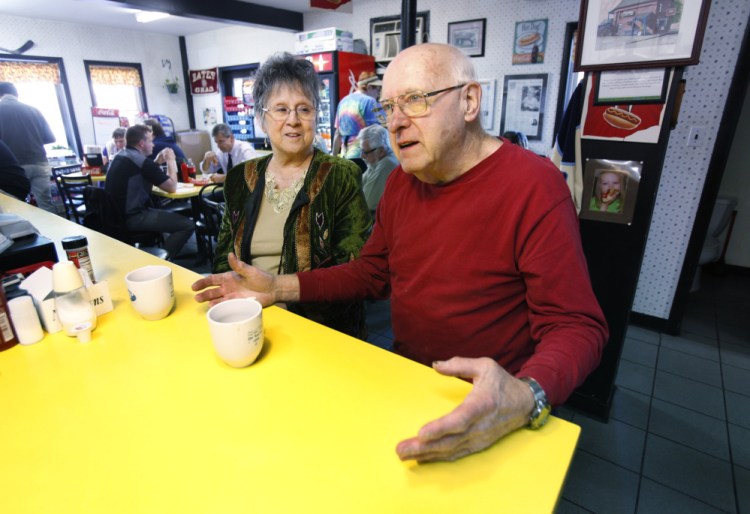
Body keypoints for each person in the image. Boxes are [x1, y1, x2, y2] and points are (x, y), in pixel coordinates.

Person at [192, 43, 607, 463]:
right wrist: (278, 286)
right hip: (405, 383)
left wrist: (525, 393)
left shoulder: (535, 186)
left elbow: (577, 326)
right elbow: (373, 273)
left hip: (493, 406)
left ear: (469, 101)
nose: (396, 122)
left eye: (415, 100)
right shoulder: (402, 184)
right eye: (389, 107)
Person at [202, 52, 371, 338]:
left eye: (304, 109)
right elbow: (224, 258)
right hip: (248, 320)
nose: (293, 120)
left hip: (317, 330)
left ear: (315, 117)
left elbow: (355, 273)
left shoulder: (340, 175)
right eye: (280, 109)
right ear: (261, 119)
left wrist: (279, 291)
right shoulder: (240, 178)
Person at [104, 124, 194, 258]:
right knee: (187, 225)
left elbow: (140, 172)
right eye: (150, 141)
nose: (153, 145)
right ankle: (162, 262)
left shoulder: (120, 156)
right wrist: (170, 161)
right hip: (133, 217)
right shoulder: (142, 162)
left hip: (114, 216)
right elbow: (172, 187)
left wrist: (156, 162)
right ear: (141, 144)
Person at [0, 82, 56, 213]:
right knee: (45, 203)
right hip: (39, 162)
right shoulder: (34, 110)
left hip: (15, 168)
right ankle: (56, 232)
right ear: (16, 94)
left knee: (17, 207)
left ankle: (28, 232)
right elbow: (50, 138)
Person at [331, 71, 382, 158]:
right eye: (378, 89)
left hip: (345, 155)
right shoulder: (370, 101)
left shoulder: (343, 101)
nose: (378, 94)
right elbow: (380, 131)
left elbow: (337, 134)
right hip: (364, 156)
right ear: (369, 87)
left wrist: (334, 157)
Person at [357, 124, 398, 213]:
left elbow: (368, 203)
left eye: (365, 152)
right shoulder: (376, 162)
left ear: (381, 151)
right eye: (361, 151)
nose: (361, 156)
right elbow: (356, 187)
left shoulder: (387, 164)